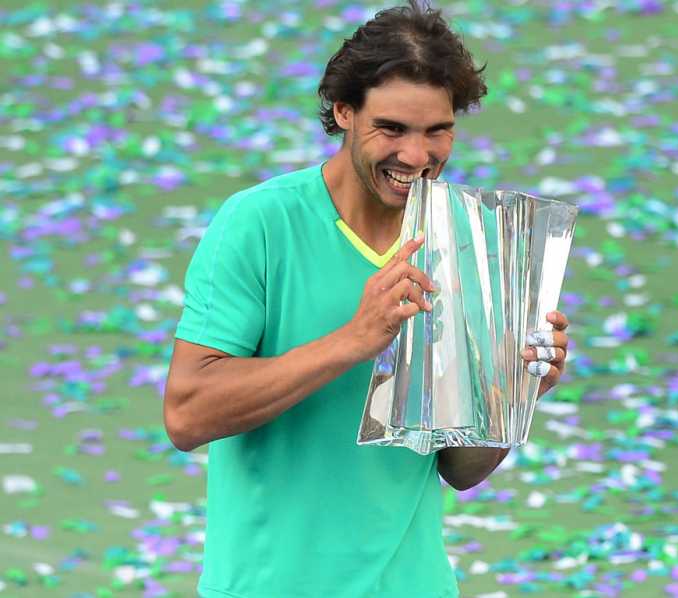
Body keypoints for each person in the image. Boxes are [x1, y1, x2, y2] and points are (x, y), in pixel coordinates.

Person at [164, 2, 570, 597]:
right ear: (343, 112)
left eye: (438, 130)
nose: (417, 156)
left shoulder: (466, 243)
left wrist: (516, 389)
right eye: (393, 129)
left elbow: (459, 469)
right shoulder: (258, 224)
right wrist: (355, 339)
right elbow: (187, 415)